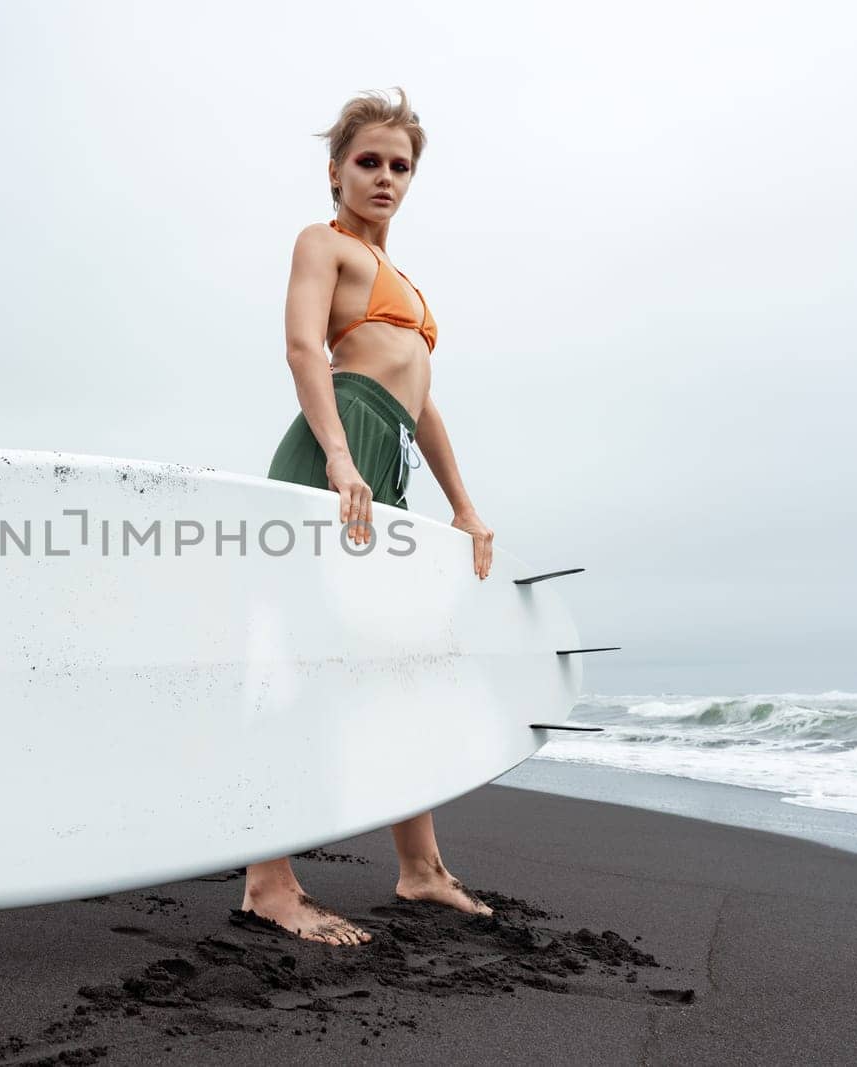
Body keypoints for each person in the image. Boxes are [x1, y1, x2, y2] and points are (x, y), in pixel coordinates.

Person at [247, 87, 498, 947]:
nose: (386, 175)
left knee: (404, 662)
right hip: (340, 442)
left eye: (400, 165)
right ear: (335, 171)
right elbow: (300, 347)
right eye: (369, 161)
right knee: (300, 659)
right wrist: (341, 458)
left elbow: (423, 404)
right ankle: (269, 883)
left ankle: (421, 869)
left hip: (384, 450)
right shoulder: (323, 243)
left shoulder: (410, 287)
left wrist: (464, 504)